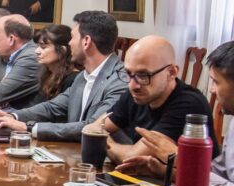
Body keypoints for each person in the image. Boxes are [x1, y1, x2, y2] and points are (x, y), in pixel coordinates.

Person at [0, 11, 128, 141]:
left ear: (86, 42)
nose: (69, 43)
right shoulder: (83, 76)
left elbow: (91, 128)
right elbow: (52, 108)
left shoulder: (119, 82)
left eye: (72, 37)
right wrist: (12, 116)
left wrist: (28, 127)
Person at [116, 41, 234, 186]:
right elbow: (218, 173)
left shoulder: (189, 101)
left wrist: (184, 160)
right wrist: (166, 171)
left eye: (216, 82)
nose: (211, 90)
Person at [84, 35, 219, 163]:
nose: (132, 85)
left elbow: (131, 158)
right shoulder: (136, 93)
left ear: (171, 72)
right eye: (128, 73)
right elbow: (93, 129)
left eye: (143, 75)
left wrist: (103, 140)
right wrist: (101, 138)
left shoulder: (189, 104)